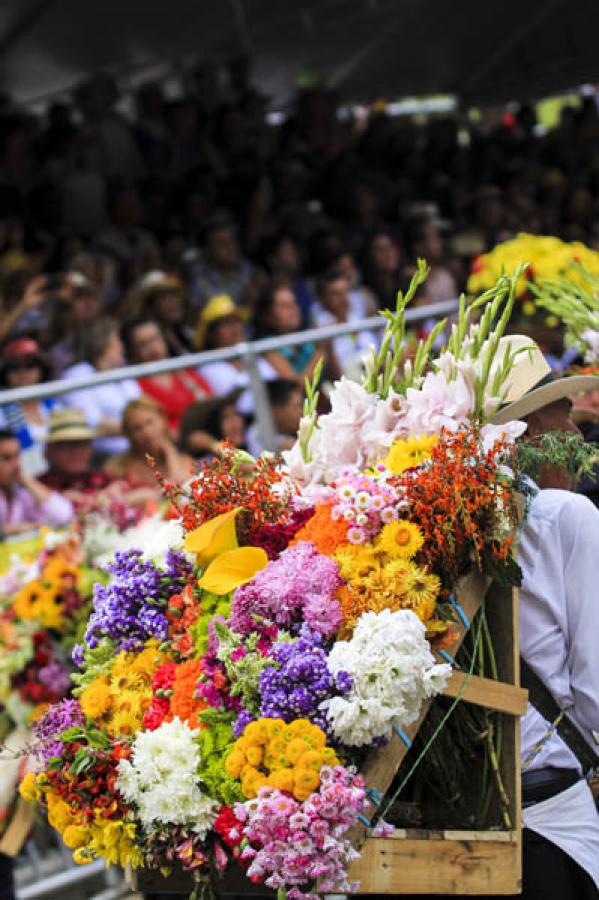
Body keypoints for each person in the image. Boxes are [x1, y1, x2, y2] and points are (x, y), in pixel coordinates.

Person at [486, 337, 599, 899]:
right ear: (525, 436)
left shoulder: (465, 516)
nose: (578, 439)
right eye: (565, 422)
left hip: (476, 812)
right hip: (552, 817)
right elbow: (596, 691)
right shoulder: (565, 514)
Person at [60, 317, 141, 457]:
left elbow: (143, 407)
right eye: (117, 341)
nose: (122, 346)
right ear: (103, 343)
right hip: (104, 458)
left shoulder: (122, 372)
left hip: (138, 449)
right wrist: (140, 429)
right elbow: (93, 424)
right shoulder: (77, 374)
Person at [122, 316, 212, 433]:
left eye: (155, 339)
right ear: (133, 352)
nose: (152, 347)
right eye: (144, 344)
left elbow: (210, 403)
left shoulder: (185, 373)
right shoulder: (135, 387)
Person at [195, 294, 277, 416]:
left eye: (237, 321)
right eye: (226, 323)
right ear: (211, 335)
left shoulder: (257, 358)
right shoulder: (208, 370)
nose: (235, 328)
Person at [105, 398, 194, 496]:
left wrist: (169, 451)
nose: (147, 432)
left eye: (149, 422)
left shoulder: (184, 461)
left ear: (162, 420)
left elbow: (184, 489)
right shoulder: (119, 468)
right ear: (130, 435)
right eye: (137, 428)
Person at [0, 429, 73, 537]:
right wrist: (6, 530)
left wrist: (26, 479)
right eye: (6, 458)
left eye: (17, 456)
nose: (16, 464)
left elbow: (64, 516)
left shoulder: (20, 494)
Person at [253, 278, 326, 386]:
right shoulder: (266, 346)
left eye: (293, 302)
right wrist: (321, 351)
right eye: (283, 305)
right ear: (268, 315)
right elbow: (296, 387)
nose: (292, 308)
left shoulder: (306, 338)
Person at [0, 337, 55, 476]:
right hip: (21, 481)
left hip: (57, 474)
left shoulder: (54, 405)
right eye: (15, 367)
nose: (22, 373)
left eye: (30, 365)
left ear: (41, 369)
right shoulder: (1, 408)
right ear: (6, 372)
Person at [137, 270, 194, 355]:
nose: (174, 303)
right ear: (149, 308)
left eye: (175, 296)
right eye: (164, 298)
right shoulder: (149, 345)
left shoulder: (186, 334)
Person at [179, 390, 246, 459]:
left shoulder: (253, 441)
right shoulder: (207, 463)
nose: (236, 421)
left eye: (236, 414)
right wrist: (212, 444)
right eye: (226, 417)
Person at [246, 378, 303, 457]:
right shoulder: (255, 435)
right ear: (277, 410)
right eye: (296, 407)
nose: (302, 412)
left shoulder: (302, 432)